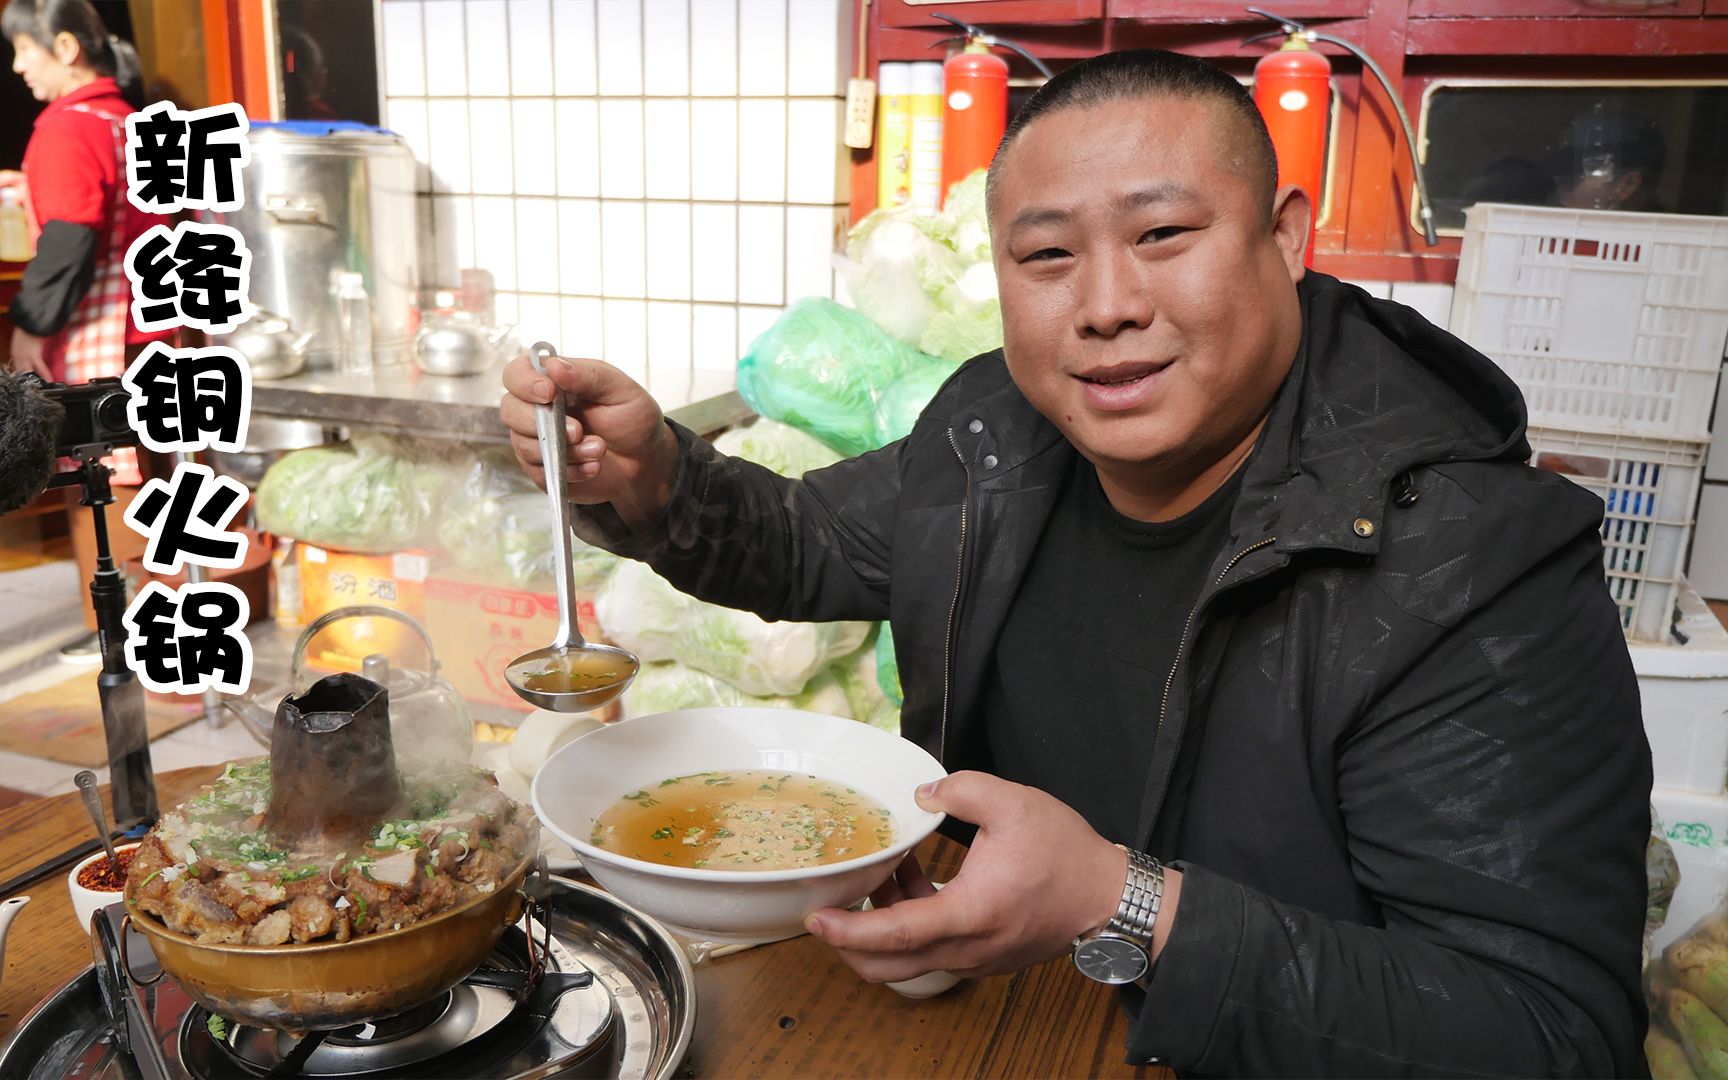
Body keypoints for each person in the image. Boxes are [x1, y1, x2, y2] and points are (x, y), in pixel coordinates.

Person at [500, 49, 1650, 1076]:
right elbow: (811, 543)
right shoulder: (994, 429)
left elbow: (1549, 1031)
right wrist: (651, 481)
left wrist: (1124, 905)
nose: (1105, 306)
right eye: (1047, 254)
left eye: (1163, 236)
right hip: (1015, 1022)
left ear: (1287, 235)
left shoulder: (1471, 559)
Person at [3, 0, 175, 645]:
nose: (18, 67)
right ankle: (163, 632)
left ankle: (123, 641)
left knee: (98, 478)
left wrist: (30, 324)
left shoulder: (67, 126)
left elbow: (71, 234)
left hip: (99, 337)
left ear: (67, 47)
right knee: (153, 478)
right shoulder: (127, 121)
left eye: (25, 49)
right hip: (152, 330)